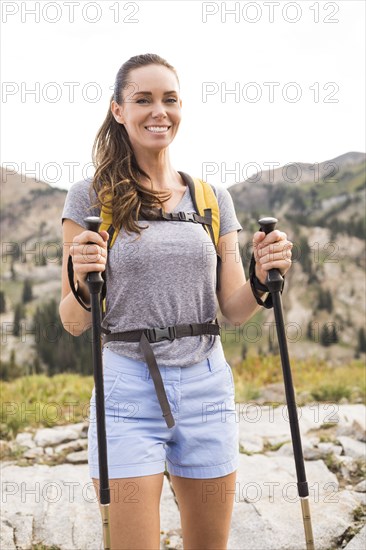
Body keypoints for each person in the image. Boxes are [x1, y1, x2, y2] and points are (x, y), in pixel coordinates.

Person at [59, 53, 293, 550]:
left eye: (169, 99)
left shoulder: (211, 198)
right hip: (126, 386)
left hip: (206, 385)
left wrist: (260, 278)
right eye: (142, 99)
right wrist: (81, 281)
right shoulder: (90, 198)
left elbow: (231, 309)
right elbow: (74, 321)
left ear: (181, 106)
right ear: (119, 110)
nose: (157, 111)